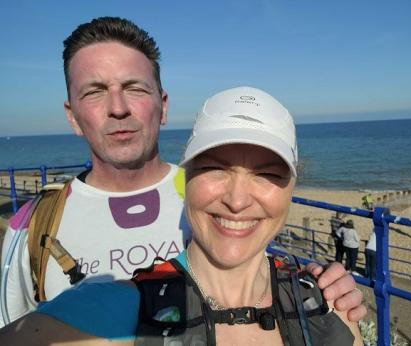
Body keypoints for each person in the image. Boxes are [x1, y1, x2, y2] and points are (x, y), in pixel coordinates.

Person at [0, 17, 365, 327]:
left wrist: (326, 284)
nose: (118, 108)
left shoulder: (209, 198)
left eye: (135, 88)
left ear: (163, 105)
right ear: (72, 115)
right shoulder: (33, 227)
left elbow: (264, 270)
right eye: (95, 92)